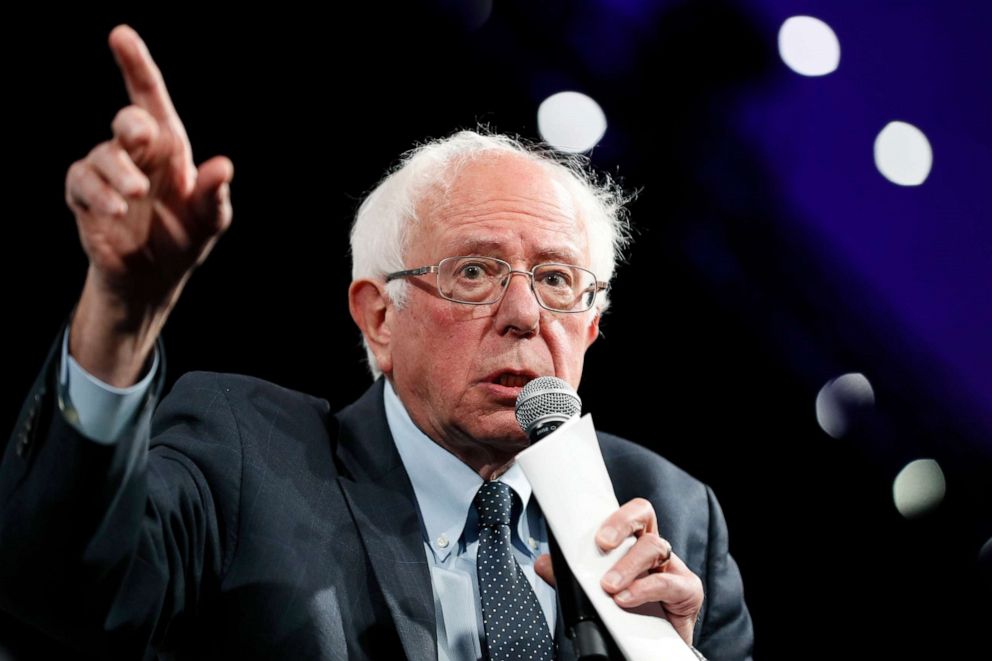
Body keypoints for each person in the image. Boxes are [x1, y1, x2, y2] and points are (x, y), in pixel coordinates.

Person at [0, 24, 752, 660]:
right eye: (475, 270)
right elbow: (62, 596)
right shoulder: (244, 454)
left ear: (590, 327)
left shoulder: (676, 520)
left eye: (557, 280)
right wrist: (121, 315)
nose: (525, 312)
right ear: (378, 318)